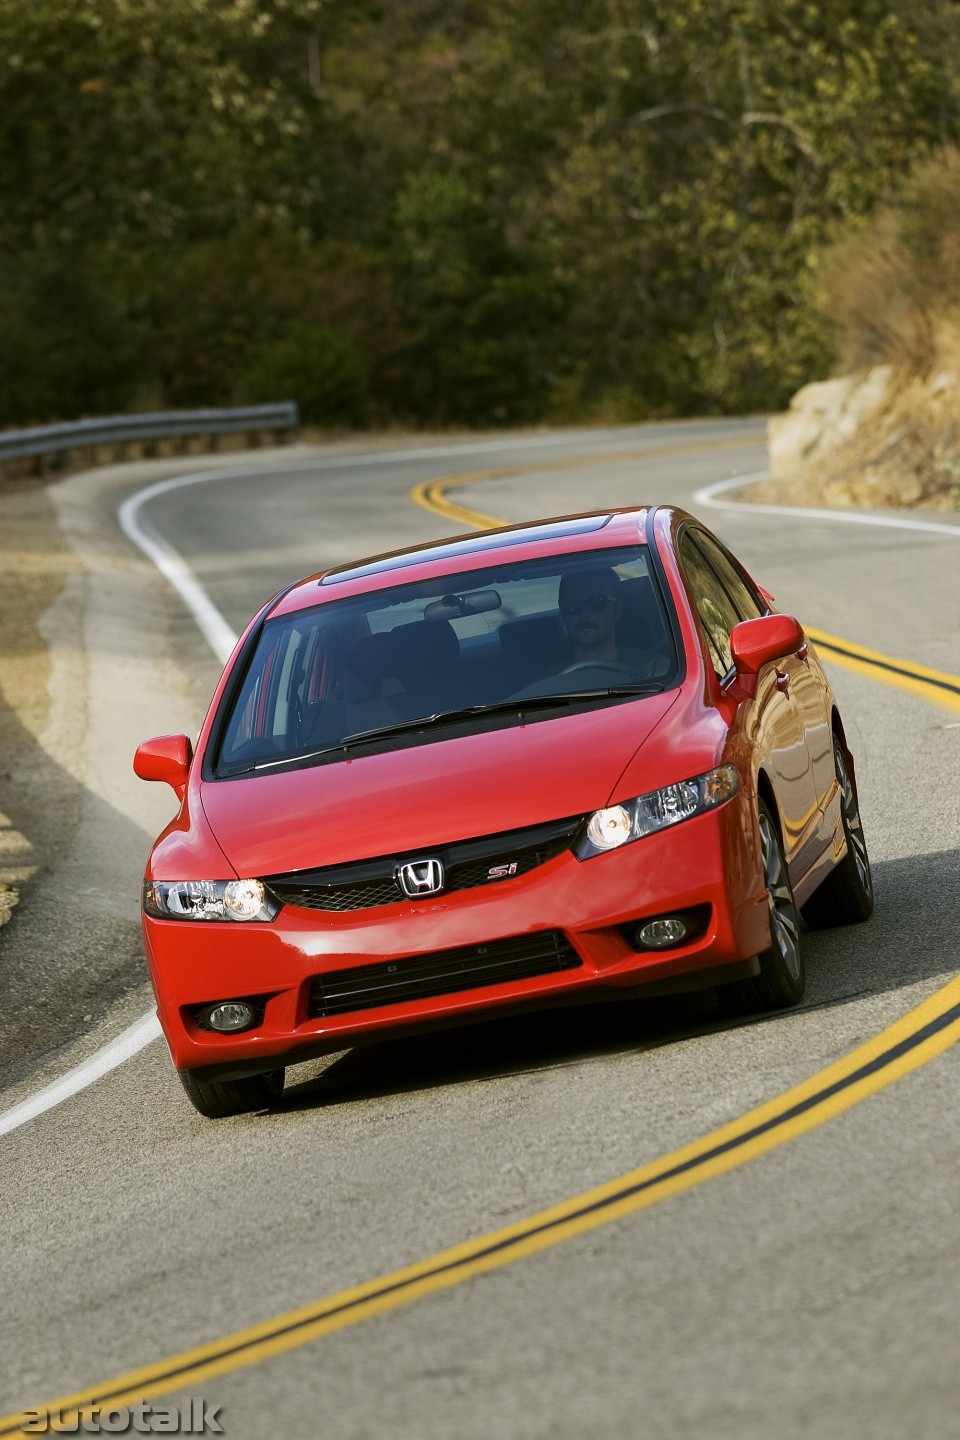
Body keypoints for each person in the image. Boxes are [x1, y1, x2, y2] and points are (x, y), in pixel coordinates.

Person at [557, 567, 667, 677]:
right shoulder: (548, 684)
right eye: (572, 605)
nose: (584, 614)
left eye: (596, 602)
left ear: (617, 610)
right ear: (563, 613)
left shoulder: (655, 670)